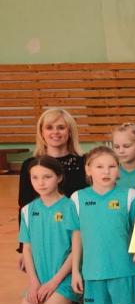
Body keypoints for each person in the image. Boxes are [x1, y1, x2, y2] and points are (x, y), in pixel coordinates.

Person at [72, 147, 135, 304]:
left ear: (118, 170)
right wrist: (75, 270)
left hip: (123, 267)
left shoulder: (130, 195)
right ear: (88, 170)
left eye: (111, 166)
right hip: (94, 270)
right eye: (99, 167)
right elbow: (77, 236)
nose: (106, 172)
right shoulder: (77, 198)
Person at [16, 156, 80, 304]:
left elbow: (76, 249)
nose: (41, 183)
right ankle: (50, 301)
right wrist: (33, 283)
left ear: (59, 177)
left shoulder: (71, 207)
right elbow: (27, 249)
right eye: (35, 178)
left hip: (63, 278)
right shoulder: (28, 210)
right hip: (39, 278)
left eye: (47, 177)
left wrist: (53, 283)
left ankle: (72, 302)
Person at [17, 109, 85, 259]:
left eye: (61, 127)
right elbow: (24, 207)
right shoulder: (30, 164)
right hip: (44, 236)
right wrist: (23, 248)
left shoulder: (84, 163)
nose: (55, 132)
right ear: (41, 132)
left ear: (70, 131)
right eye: (49, 127)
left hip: (77, 236)